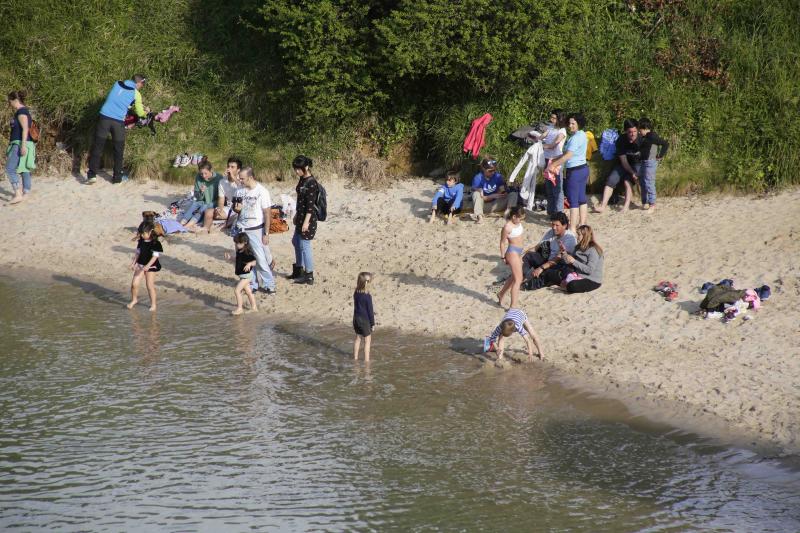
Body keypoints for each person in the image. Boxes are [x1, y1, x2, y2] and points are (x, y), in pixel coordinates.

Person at [86, 74, 148, 184]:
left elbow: (117, 99)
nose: (142, 86)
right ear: (138, 83)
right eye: (143, 84)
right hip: (117, 122)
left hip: (104, 117)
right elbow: (139, 112)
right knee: (118, 150)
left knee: (97, 147)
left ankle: (91, 176)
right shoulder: (136, 94)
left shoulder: (117, 83)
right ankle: (117, 178)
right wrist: (145, 112)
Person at [234, 166, 276, 294]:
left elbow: (267, 213)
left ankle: (269, 285)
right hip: (241, 228)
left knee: (260, 259)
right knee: (244, 258)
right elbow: (235, 209)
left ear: (250, 177)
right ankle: (252, 284)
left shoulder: (262, 191)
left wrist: (266, 233)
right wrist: (237, 209)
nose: (240, 181)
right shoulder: (239, 191)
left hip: (256, 229)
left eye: (242, 179)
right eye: (239, 178)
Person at [549, 113, 589, 230]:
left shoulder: (575, 138)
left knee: (573, 200)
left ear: (578, 124)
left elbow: (568, 156)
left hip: (575, 171)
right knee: (582, 198)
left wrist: (553, 165)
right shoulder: (582, 135)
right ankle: (582, 223)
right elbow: (567, 154)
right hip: (583, 168)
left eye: (573, 123)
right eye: (569, 123)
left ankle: (572, 227)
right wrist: (555, 160)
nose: (570, 125)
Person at [594, 119, 642, 213]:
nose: (632, 134)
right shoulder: (621, 140)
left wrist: (652, 161)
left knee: (627, 181)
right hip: (623, 163)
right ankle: (603, 205)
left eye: (635, 131)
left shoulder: (642, 139)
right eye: (630, 132)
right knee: (611, 180)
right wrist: (632, 172)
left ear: (638, 130)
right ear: (625, 131)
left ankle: (627, 206)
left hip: (637, 163)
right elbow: (623, 161)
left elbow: (652, 149)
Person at [521, 212, 577, 290]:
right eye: (552, 224)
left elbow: (558, 258)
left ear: (564, 226)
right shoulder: (551, 232)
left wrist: (541, 268)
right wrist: (521, 256)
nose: (554, 227)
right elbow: (536, 247)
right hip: (548, 259)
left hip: (559, 265)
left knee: (546, 273)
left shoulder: (570, 238)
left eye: (557, 225)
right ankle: (520, 277)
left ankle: (526, 286)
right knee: (529, 255)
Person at [290, 155, 319, 285]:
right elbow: (300, 200)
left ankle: (309, 275)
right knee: (296, 241)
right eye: (295, 169)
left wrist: (306, 222)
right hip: (300, 217)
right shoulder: (302, 179)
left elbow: (310, 206)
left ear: (305, 167)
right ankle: (298, 269)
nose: (296, 171)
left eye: (298, 169)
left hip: (308, 219)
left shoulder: (312, 183)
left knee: (305, 245)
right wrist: (297, 215)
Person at [5, 91, 34, 205]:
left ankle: (18, 194)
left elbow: (25, 129)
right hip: (24, 143)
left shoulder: (21, 112)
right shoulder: (23, 111)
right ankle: (26, 192)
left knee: (10, 168)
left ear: (14, 100)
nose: (9, 103)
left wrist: (23, 145)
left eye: (10, 101)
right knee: (24, 168)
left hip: (19, 143)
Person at [127, 221, 162, 311]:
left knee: (149, 285)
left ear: (150, 232)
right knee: (134, 284)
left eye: (144, 233)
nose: (142, 235)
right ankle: (134, 300)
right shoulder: (141, 241)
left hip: (151, 266)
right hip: (140, 263)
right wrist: (133, 263)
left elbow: (155, 256)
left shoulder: (155, 243)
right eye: (141, 233)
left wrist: (147, 266)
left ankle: (153, 304)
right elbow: (138, 253)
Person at [558, 225, 604, 293]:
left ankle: (567, 284)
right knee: (556, 273)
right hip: (578, 274)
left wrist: (574, 261)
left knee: (572, 285)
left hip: (591, 279)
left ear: (585, 236)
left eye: (579, 235)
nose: (577, 237)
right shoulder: (578, 247)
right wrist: (563, 253)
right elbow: (569, 262)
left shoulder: (593, 250)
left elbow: (589, 270)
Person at [470, 157, 518, 222]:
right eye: (490, 171)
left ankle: (508, 212)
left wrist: (503, 192)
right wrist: (491, 196)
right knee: (476, 193)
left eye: (494, 170)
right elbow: (480, 198)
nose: (492, 173)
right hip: (483, 206)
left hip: (496, 204)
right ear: (483, 169)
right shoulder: (478, 178)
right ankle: (479, 216)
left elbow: (502, 188)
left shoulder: (497, 176)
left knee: (513, 194)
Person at [180, 161, 223, 232]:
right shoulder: (198, 177)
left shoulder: (219, 178)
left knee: (205, 206)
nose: (203, 176)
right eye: (201, 173)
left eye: (206, 173)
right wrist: (201, 191)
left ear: (211, 170)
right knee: (194, 203)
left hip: (214, 201)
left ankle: (188, 225)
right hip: (202, 200)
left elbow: (222, 196)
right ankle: (182, 222)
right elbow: (196, 197)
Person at [637, 118, 669, 212]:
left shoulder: (652, 136)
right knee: (642, 182)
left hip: (650, 162)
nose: (639, 132)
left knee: (649, 182)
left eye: (640, 130)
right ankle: (645, 203)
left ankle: (652, 204)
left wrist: (660, 155)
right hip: (643, 162)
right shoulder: (645, 137)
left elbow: (665, 144)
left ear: (645, 128)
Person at [497, 206, 526, 309]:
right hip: (512, 252)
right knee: (519, 279)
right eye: (520, 218)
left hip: (518, 252)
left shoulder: (517, 223)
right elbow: (502, 242)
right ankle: (513, 307)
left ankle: (501, 294)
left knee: (514, 277)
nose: (521, 220)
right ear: (514, 216)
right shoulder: (507, 227)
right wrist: (502, 256)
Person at [541, 109, 567, 215]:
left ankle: (559, 212)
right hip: (547, 159)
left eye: (554, 118)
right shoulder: (550, 127)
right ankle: (551, 212)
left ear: (559, 119)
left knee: (557, 187)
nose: (551, 119)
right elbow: (542, 136)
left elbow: (554, 144)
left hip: (556, 160)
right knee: (549, 186)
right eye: (551, 117)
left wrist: (542, 146)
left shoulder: (562, 131)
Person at [230, 232, 258, 315]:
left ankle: (239, 309)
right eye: (236, 243)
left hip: (246, 276)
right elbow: (238, 260)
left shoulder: (247, 252)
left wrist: (249, 264)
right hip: (242, 276)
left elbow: (254, 262)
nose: (237, 245)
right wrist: (231, 258)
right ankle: (254, 307)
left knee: (237, 291)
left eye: (239, 243)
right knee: (249, 292)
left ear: (245, 243)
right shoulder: (239, 251)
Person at [353, 272, 375, 361]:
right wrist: (372, 324)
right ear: (366, 283)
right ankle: (367, 361)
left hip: (356, 319)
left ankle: (355, 358)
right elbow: (370, 311)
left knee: (358, 338)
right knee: (367, 340)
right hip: (364, 320)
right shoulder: (367, 296)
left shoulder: (356, 293)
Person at [217, 156, 243, 228]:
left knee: (241, 213)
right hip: (230, 207)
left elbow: (244, 190)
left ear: (238, 170)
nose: (229, 169)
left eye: (232, 167)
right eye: (228, 166)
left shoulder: (242, 179)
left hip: (242, 206)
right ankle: (231, 220)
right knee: (214, 213)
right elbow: (221, 199)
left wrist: (233, 177)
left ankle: (228, 223)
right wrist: (220, 209)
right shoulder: (222, 181)